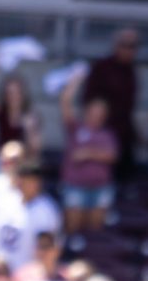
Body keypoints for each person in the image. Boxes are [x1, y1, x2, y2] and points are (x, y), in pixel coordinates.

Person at [59, 72, 117, 233]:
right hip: (75, 186)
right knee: (72, 227)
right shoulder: (76, 129)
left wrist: (88, 153)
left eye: (100, 113)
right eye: (93, 111)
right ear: (87, 111)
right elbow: (65, 102)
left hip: (99, 188)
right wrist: (75, 79)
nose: (96, 116)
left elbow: (112, 155)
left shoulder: (107, 135)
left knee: (96, 230)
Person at [83, 27, 139, 179]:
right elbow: (89, 101)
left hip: (123, 137)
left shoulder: (131, 71)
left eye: (133, 46)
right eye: (125, 45)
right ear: (116, 46)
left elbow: (128, 107)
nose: (129, 50)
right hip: (101, 135)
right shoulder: (102, 68)